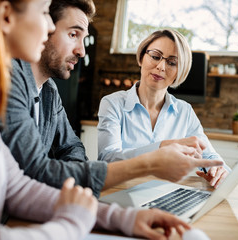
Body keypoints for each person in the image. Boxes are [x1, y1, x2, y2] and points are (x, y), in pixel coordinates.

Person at [0, 1, 193, 239]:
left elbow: (19, 186)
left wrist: (122, 218)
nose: (47, 26)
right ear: (6, 15)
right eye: (44, 11)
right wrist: (73, 222)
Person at [0, 0, 224, 198]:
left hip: (161, 195)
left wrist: (218, 168)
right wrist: (155, 156)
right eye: (73, 34)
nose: (81, 51)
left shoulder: (49, 91)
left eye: (172, 62)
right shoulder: (10, 78)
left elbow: (71, 148)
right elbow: (37, 170)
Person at [98, 29, 230, 188]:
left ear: (179, 72)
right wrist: (161, 148)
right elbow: (107, 160)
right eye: (155, 56)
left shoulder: (184, 111)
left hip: (167, 194)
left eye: (172, 62)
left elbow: (208, 155)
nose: (161, 66)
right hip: (122, 193)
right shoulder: (112, 104)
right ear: (141, 58)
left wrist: (217, 169)